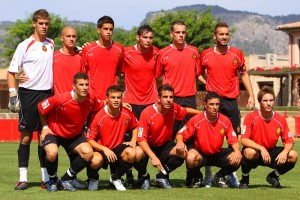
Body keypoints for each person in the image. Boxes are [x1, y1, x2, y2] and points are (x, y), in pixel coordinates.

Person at [198, 21, 255, 187]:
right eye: (221, 34)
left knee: (234, 138)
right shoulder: (206, 54)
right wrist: (208, 84)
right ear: (214, 36)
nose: (224, 37)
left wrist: (251, 95)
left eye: (226, 34)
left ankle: (230, 173)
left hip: (231, 102)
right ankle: (208, 174)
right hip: (213, 100)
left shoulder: (237, 53)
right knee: (207, 137)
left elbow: (244, 74)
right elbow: (199, 73)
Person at [7, 9, 54, 190]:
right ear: (34, 23)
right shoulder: (24, 45)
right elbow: (12, 73)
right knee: (26, 137)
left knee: (44, 138)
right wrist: (13, 94)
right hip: (28, 94)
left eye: (46, 23)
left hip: (47, 95)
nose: (44, 27)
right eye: (40, 23)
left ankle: (45, 179)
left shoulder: (51, 44)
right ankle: (23, 178)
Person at [38, 72, 104, 192]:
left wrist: (120, 104)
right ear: (74, 86)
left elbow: (101, 104)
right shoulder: (61, 99)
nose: (84, 88)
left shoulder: (91, 98)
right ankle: (52, 180)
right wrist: (45, 127)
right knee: (52, 153)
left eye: (86, 85)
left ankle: (66, 179)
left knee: (88, 153)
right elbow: (41, 107)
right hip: (55, 133)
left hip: (73, 135)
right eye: (81, 84)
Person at [137, 84, 200, 189]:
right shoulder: (147, 113)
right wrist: (153, 157)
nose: (169, 100)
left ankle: (161, 176)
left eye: (171, 97)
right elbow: (141, 139)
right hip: (148, 144)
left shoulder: (173, 108)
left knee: (183, 152)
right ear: (159, 98)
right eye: (165, 97)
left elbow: (185, 111)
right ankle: (144, 176)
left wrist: (202, 113)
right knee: (137, 154)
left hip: (164, 144)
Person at [86, 85, 149, 191]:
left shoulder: (126, 112)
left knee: (133, 153)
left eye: (118, 98)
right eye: (113, 97)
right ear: (107, 98)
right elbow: (90, 139)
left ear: (122, 99)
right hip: (102, 148)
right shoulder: (98, 116)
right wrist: (104, 149)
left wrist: (133, 141)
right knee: (95, 161)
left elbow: (135, 126)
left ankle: (115, 178)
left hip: (118, 147)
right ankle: (94, 178)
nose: (116, 100)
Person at [176, 92, 242, 189]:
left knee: (238, 157)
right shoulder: (196, 119)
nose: (214, 107)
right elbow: (180, 134)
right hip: (201, 154)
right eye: (211, 104)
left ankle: (219, 176)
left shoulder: (225, 120)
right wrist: (180, 142)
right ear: (205, 105)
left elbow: (234, 140)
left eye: (217, 104)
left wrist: (237, 151)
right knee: (190, 158)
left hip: (217, 154)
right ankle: (198, 176)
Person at [121, 24, 159, 186]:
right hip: (130, 103)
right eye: (145, 37)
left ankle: (143, 176)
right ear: (138, 37)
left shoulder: (156, 53)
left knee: (145, 143)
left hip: (150, 103)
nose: (148, 40)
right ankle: (128, 175)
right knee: (129, 142)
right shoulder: (126, 53)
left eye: (151, 37)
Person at [239, 86, 298, 189]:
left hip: (271, 152)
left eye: (271, 100)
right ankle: (244, 179)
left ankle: (273, 176)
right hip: (256, 152)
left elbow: (289, 141)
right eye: (265, 100)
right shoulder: (251, 117)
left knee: (293, 155)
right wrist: (261, 148)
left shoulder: (280, 119)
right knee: (249, 152)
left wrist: (284, 152)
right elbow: (243, 140)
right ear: (259, 102)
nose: (269, 103)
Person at [156, 20, 200, 138]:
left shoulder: (194, 51)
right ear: (171, 34)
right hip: (172, 99)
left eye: (183, 32)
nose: (181, 35)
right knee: (169, 134)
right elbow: (157, 77)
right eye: (178, 32)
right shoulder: (163, 53)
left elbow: (198, 73)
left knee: (190, 135)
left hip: (190, 99)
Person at [81, 15, 123, 100]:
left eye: (111, 29)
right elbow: (82, 75)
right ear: (98, 30)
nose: (108, 32)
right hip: (92, 98)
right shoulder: (88, 49)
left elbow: (121, 71)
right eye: (105, 29)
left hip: (111, 98)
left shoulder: (119, 49)